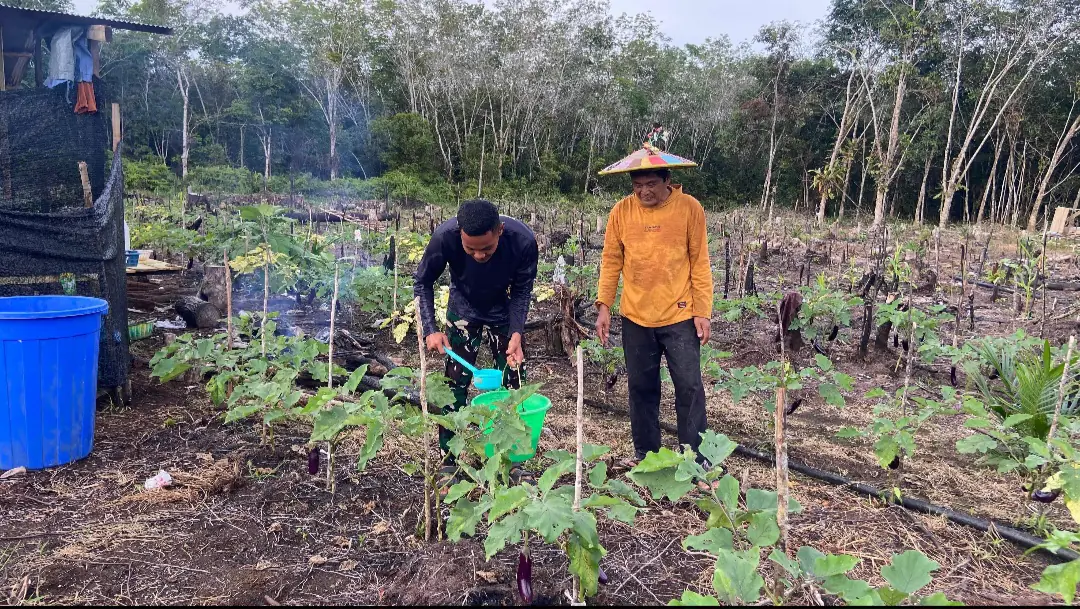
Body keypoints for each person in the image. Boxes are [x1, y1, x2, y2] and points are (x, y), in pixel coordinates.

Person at [595, 167, 714, 470]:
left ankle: (697, 460)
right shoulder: (621, 212)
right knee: (641, 387)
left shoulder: (689, 209)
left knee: (689, 386)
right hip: (636, 315)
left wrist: (702, 312)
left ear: (667, 182)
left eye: (651, 184)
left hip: (680, 314)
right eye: (637, 186)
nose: (644, 191)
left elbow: (700, 262)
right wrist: (604, 306)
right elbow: (611, 260)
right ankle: (647, 455)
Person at [414, 199, 539, 475]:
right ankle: (450, 458)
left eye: (487, 248)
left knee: (513, 380)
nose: (479, 255)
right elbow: (423, 281)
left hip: (504, 308)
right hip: (463, 307)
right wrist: (431, 329)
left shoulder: (523, 242)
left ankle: (512, 458)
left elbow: (521, 292)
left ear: (500, 231)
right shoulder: (444, 238)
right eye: (470, 248)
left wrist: (516, 332)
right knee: (454, 383)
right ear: (459, 233)